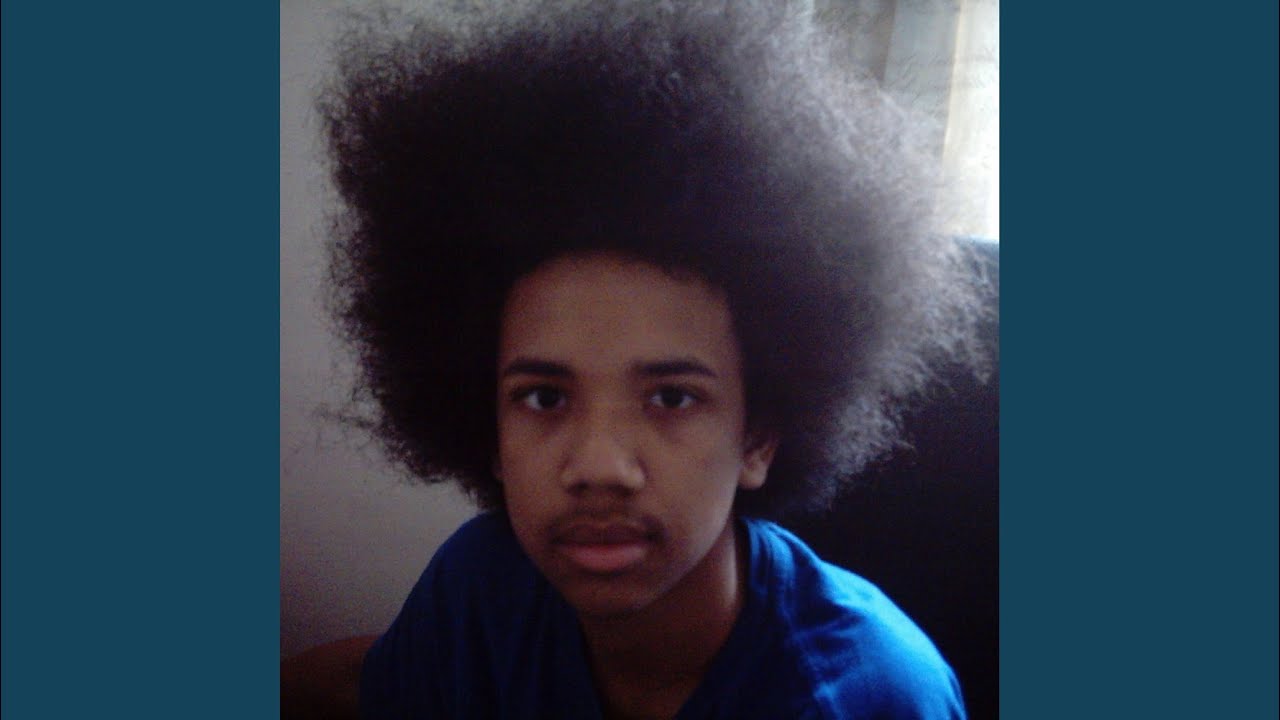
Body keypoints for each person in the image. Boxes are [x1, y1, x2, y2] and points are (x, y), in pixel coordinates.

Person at [286, 1, 989, 718]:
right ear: (489, 431)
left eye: (672, 397)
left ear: (757, 437)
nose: (600, 467)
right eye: (544, 397)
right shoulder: (479, 586)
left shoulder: (871, 699)